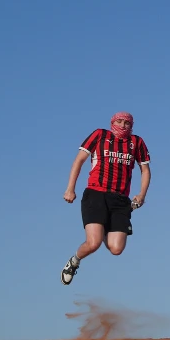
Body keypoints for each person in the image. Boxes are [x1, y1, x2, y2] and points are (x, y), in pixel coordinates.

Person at [60, 112, 151, 285]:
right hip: (96, 194)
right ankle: (74, 261)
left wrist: (141, 194)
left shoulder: (136, 142)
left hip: (120, 200)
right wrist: (70, 188)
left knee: (116, 249)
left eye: (127, 123)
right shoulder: (100, 135)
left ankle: (104, 228)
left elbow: (145, 170)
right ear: (112, 122)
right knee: (93, 244)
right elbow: (79, 160)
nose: (123, 125)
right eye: (119, 121)